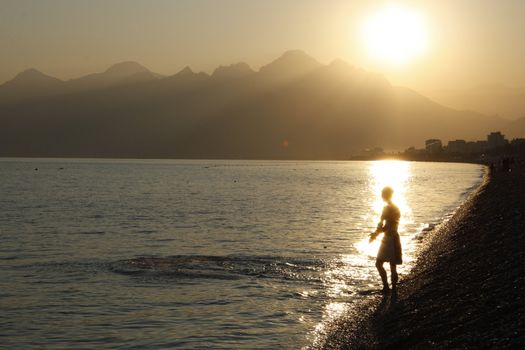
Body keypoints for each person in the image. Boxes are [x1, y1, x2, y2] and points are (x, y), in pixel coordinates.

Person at [369, 186, 402, 292]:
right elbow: (392, 224)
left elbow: (382, 226)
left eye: (383, 195)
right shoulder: (396, 208)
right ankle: (394, 288)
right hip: (395, 237)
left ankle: (386, 287)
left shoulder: (386, 208)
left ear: (384, 196)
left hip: (388, 239)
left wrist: (374, 235)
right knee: (393, 266)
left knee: (378, 264)